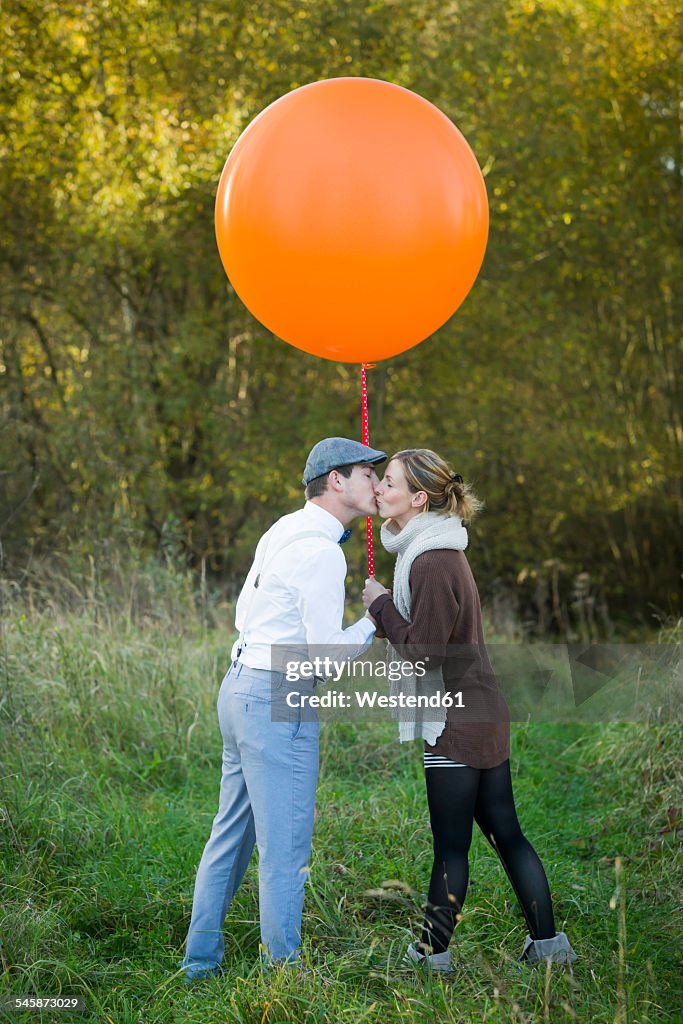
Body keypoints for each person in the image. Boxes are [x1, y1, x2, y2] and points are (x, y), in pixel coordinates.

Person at [181, 437, 386, 981]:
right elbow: (321, 660)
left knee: (230, 833)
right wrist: (376, 618)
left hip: (239, 684)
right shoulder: (321, 551)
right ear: (337, 480)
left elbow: (245, 613)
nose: (377, 483)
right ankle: (285, 976)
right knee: (285, 846)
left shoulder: (283, 528)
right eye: (369, 473)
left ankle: (199, 964)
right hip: (278, 693)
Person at [362, 449, 576, 971]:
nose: (378, 490)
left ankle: (430, 956)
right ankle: (549, 950)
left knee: (452, 848)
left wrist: (379, 604)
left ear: (417, 498)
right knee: (507, 833)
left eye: (387, 483)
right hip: (482, 708)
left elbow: (425, 652)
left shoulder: (432, 561)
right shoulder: (436, 549)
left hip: (456, 721)